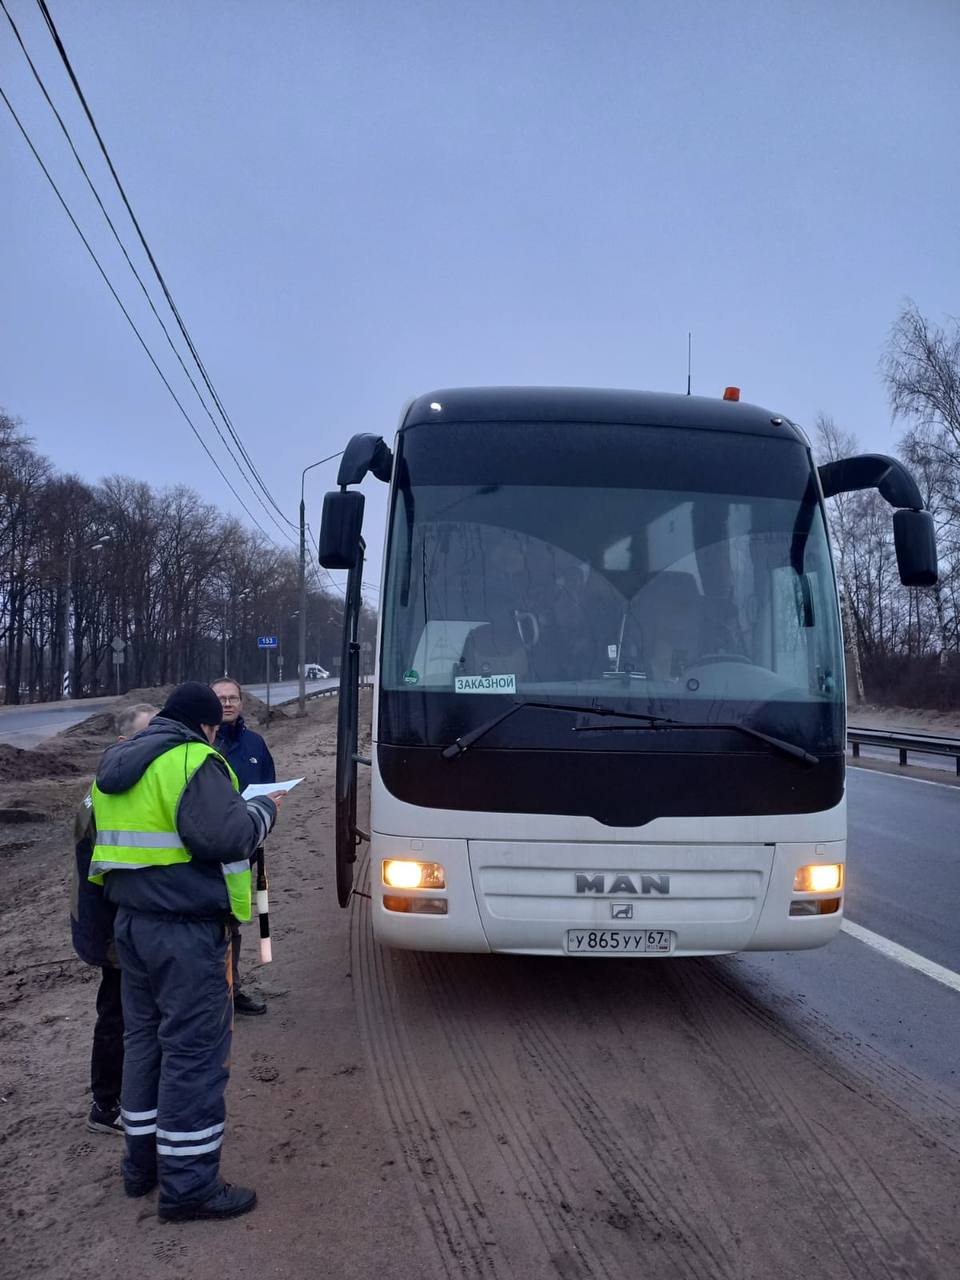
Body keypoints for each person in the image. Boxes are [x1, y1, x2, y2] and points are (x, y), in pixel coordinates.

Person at [90, 681, 283, 1223]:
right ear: (206, 725)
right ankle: (189, 1186)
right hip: (186, 933)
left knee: (145, 1043)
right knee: (193, 1054)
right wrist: (266, 810)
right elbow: (226, 838)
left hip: (131, 926)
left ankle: (141, 1167)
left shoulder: (117, 763)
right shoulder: (194, 760)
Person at [71, 702, 157, 1135]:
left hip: (106, 922)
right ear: (125, 743)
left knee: (123, 1011)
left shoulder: (109, 781)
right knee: (118, 1015)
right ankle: (106, 1107)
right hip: (109, 926)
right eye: (148, 735)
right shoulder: (112, 791)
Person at [211, 677, 276, 1016]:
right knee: (210, 923)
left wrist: (265, 818)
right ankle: (212, 995)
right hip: (206, 850)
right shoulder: (200, 744)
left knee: (234, 920)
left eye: (233, 697)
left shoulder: (255, 744)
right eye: (220, 698)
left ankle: (231, 990)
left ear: (242, 702)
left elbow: (269, 789)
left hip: (244, 850)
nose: (227, 703)